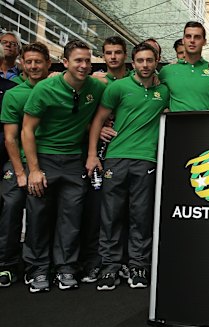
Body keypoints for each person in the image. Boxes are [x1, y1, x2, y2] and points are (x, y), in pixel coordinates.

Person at [21, 40, 106, 293]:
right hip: (44, 157)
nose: (83, 65)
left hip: (73, 161)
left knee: (71, 219)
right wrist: (34, 169)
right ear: (65, 63)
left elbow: (114, 88)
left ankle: (66, 268)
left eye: (87, 61)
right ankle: (37, 270)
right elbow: (26, 130)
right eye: (78, 60)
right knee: (38, 217)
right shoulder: (45, 89)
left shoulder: (95, 86)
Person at [86, 42, 168, 291]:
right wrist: (92, 155)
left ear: (156, 63)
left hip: (147, 160)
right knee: (111, 214)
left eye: (149, 61)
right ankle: (110, 266)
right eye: (140, 61)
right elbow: (98, 121)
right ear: (133, 63)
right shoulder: (118, 87)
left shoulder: (164, 91)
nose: (145, 65)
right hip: (116, 157)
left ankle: (138, 265)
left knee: (141, 216)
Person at [0, 42, 49, 288]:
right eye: (28, 62)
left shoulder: (55, 90)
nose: (33, 66)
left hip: (46, 162)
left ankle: (35, 267)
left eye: (38, 61)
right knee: (11, 209)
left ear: (48, 64)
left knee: (39, 217)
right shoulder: (14, 94)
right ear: (22, 64)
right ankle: (7, 265)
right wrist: (21, 173)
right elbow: (10, 137)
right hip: (18, 164)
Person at [159, 21, 209, 111]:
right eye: (188, 36)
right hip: (177, 124)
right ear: (183, 40)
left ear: (204, 42)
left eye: (197, 37)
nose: (192, 40)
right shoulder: (167, 71)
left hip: (206, 124)